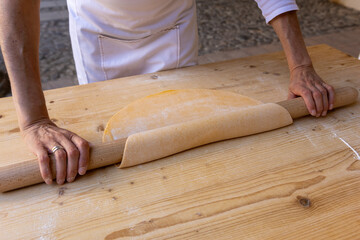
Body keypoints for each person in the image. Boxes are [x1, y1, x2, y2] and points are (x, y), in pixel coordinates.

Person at [0, 0, 335, 185]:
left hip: (172, 25)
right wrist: (34, 121)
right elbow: (17, 10)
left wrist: (300, 66)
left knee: (185, 144)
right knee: (112, 154)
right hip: (97, 30)